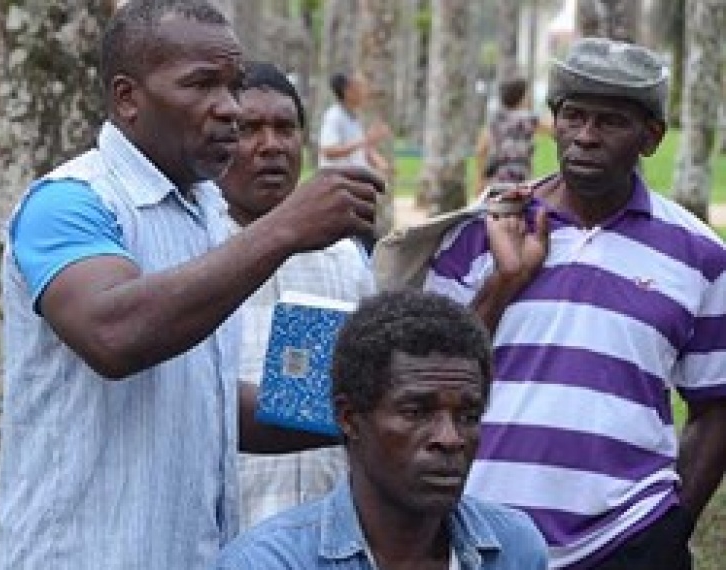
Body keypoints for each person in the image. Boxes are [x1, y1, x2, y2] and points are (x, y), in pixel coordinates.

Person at [0, 1, 384, 568]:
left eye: (233, 86)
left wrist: (371, 416)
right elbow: (113, 334)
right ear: (127, 98)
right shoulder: (71, 202)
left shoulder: (205, 214)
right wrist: (285, 228)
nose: (229, 108)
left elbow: (215, 406)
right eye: (202, 85)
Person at [424, 37, 726, 569]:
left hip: (629, 538)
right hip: (480, 537)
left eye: (610, 122)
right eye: (573, 116)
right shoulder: (482, 230)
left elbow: (716, 406)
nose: (585, 136)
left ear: (652, 137)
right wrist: (504, 282)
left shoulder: (700, 255)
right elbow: (424, 372)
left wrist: (674, 526)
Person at [216, 291, 548, 569]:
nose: (450, 438)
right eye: (416, 412)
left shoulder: (514, 548)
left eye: (468, 416)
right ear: (349, 418)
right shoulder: (269, 562)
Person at [218, 61, 375, 529]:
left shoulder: (344, 257)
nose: (271, 145)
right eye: (249, 129)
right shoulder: (191, 256)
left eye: (285, 128)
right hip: (223, 534)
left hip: (327, 535)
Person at [474, 77, 551, 191]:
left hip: (496, 179)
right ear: (522, 97)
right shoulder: (529, 119)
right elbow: (554, 129)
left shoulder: (495, 120)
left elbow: (481, 150)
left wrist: (480, 179)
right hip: (519, 178)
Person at [316, 71, 391, 175]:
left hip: (356, 178)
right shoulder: (334, 116)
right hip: (338, 179)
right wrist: (366, 140)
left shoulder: (354, 116)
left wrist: (382, 164)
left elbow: (362, 149)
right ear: (347, 91)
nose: (365, 91)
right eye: (360, 86)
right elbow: (328, 151)